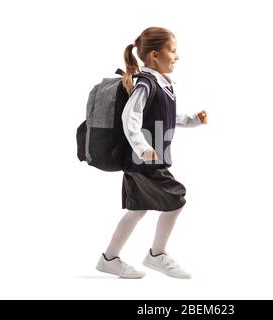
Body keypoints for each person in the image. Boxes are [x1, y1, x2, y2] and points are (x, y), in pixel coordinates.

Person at [96, 27, 208, 279]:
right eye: (172, 50)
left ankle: (109, 259)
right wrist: (143, 148)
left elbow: (164, 117)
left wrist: (192, 120)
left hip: (145, 159)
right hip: (144, 161)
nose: (176, 56)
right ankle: (157, 255)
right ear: (155, 55)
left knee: (137, 210)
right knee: (176, 199)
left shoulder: (162, 84)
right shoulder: (146, 83)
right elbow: (129, 118)